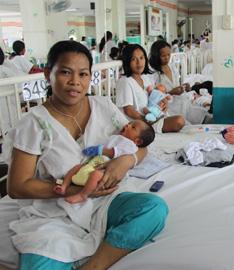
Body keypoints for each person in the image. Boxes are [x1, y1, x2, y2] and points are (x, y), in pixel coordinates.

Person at [0, 40, 168, 270]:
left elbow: (140, 145)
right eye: (65, 72)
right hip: (56, 212)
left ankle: (93, 266)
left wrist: (125, 161)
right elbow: (17, 187)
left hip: (105, 201)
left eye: (83, 74)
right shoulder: (34, 123)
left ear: (90, 77)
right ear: (48, 73)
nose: (75, 82)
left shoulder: (103, 107)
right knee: (38, 265)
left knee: (153, 209)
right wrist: (76, 190)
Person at [54, 119, 156, 204]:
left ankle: (82, 195)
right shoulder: (117, 138)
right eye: (129, 123)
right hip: (95, 163)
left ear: (137, 141)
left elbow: (115, 153)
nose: (127, 125)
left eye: (133, 127)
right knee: (76, 168)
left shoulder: (130, 145)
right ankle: (64, 186)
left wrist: (100, 150)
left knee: (95, 175)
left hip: (106, 168)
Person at [116, 43, 185, 133]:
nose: (139, 62)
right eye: (134, 59)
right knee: (179, 121)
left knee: (181, 120)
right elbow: (128, 110)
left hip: (152, 116)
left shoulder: (145, 78)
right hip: (138, 123)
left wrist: (163, 101)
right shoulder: (125, 81)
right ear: (127, 61)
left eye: (141, 58)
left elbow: (154, 95)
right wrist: (145, 120)